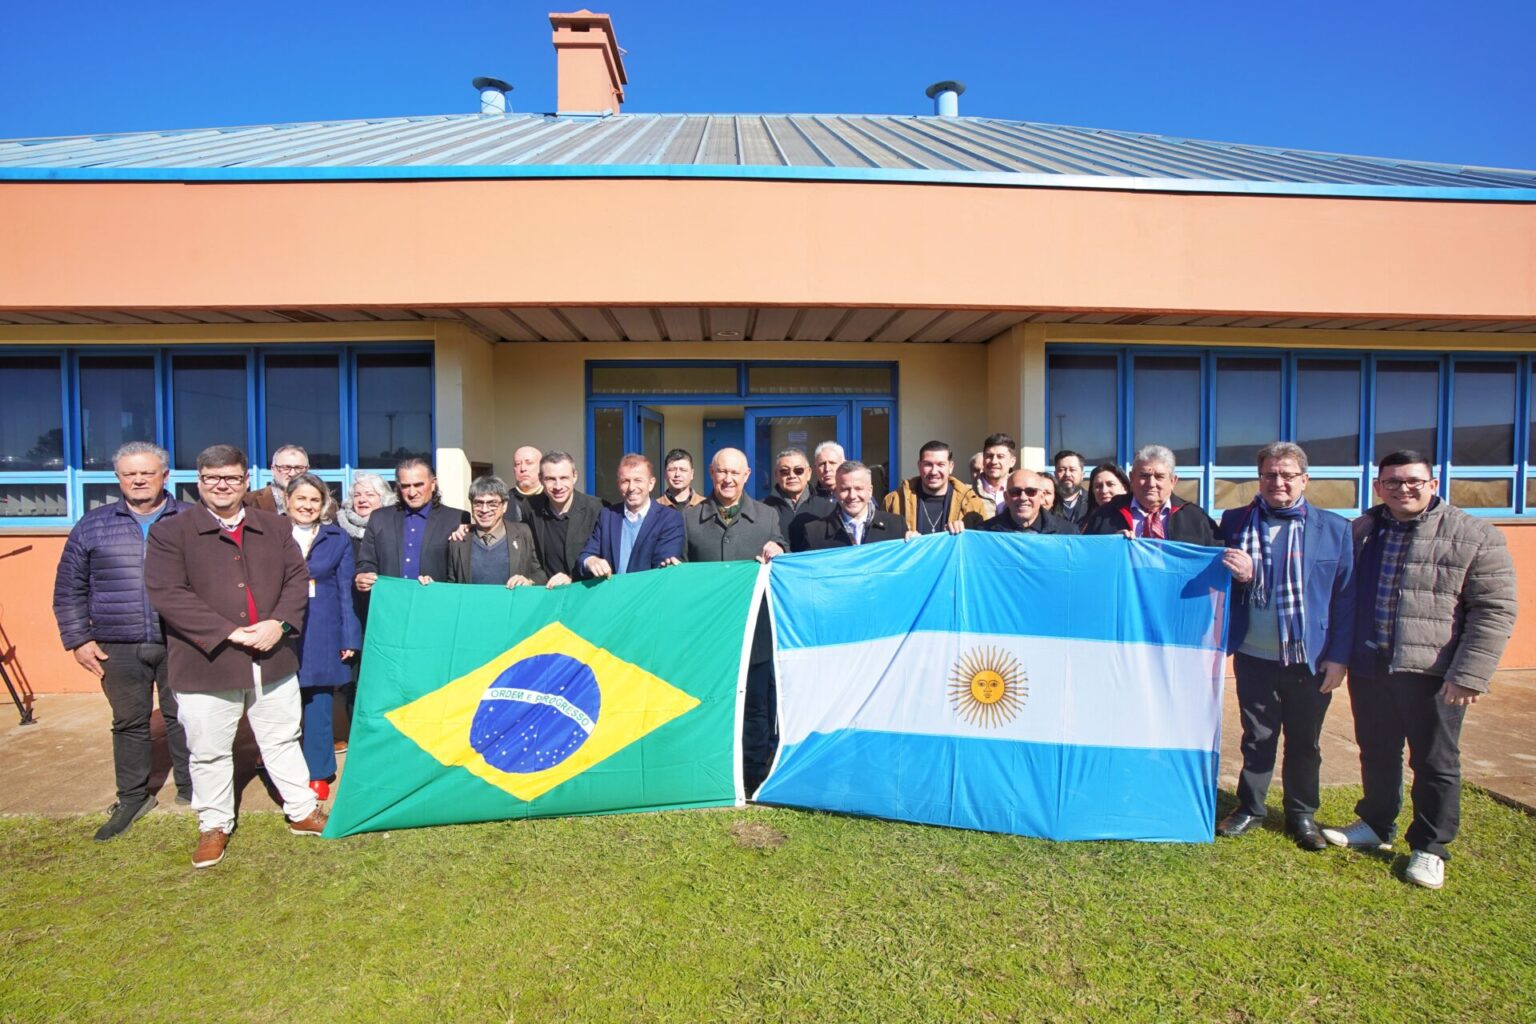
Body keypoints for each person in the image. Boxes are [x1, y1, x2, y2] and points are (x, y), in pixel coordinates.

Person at [1322, 450, 1517, 889]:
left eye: (1412, 481)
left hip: (1432, 672)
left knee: (1435, 762)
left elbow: (1494, 609)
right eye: (1392, 482)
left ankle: (1430, 847)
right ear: (1378, 488)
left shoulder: (1474, 535)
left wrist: (1469, 672)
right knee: (1376, 750)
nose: (1402, 489)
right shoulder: (1363, 530)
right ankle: (1375, 824)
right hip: (1372, 665)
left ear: (1432, 483)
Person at [143, 444, 324, 868]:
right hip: (207, 662)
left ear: (246, 481)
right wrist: (227, 631)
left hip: (271, 657)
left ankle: (301, 811)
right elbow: (168, 594)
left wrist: (279, 623)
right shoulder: (172, 532)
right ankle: (214, 824)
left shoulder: (274, 527)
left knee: (281, 738)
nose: (222, 485)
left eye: (231, 478)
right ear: (199, 482)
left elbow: (296, 579)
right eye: (212, 478)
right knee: (209, 749)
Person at [1215, 443, 1355, 852]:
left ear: (1304, 479)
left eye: (1287, 475)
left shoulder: (1335, 529)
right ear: (1259, 479)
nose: (1278, 482)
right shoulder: (1235, 520)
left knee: (1305, 740)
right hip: (1254, 653)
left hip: (1309, 658)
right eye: (1270, 475)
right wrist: (1242, 577)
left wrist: (1339, 658)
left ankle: (1301, 813)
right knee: (1257, 736)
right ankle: (1251, 808)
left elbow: (1346, 599)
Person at [52, 441, 194, 841]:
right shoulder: (92, 525)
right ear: (118, 479)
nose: (138, 480)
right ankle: (133, 797)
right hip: (117, 644)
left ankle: (191, 789)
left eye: (147, 472)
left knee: (182, 716)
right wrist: (79, 638)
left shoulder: (190, 519)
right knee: (129, 722)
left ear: (165, 476)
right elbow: (69, 588)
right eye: (129, 473)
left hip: (179, 639)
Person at [679, 448, 785, 794]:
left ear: (747, 476)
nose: (728, 479)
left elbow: (783, 553)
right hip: (708, 634)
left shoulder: (768, 517)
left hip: (755, 633)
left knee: (756, 707)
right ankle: (712, 769)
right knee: (711, 703)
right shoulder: (689, 518)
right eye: (722, 472)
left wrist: (779, 551)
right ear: (711, 472)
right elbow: (679, 565)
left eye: (735, 473)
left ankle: (753, 775)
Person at [284, 473, 362, 802]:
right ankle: (287, 771)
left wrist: (349, 637)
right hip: (280, 630)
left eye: (314, 500)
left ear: (324, 504)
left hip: (322, 629)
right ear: (287, 500)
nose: (307, 505)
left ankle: (318, 771)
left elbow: (346, 591)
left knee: (318, 702)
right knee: (280, 706)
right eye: (301, 498)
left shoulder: (336, 537)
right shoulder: (271, 534)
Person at [332, 472, 393, 754]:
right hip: (349, 611)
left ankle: (383, 734)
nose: (363, 499)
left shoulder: (394, 526)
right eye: (357, 494)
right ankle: (358, 735)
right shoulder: (337, 528)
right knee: (353, 677)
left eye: (370, 494)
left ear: (384, 498)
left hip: (383, 613)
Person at [354, 457, 469, 595]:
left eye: (418, 485)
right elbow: (366, 561)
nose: (412, 493)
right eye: (405, 486)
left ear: (433, 484)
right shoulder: (379, 518)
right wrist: (363, 575)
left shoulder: (456, 519)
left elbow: (462, 570)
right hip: (390, 604)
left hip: (436, 603)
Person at [571, 455, 684, 579]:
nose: (631, 488)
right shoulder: (607, 515)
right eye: (625, 481)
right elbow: (585, 556)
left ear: (651, 483)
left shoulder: (669, 519)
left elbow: (662, 568)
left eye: (638, 480)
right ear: (618, 484)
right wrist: (591, 561)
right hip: (612, 595)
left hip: (647, 595)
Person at [1082, 445, 1221, 545]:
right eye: (1144, 475)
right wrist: (1110, 544)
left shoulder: (1196, 518)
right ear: (1132, 477)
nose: (1151, 483)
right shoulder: (1105, 515)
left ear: (1173, 481)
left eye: (1159, 476)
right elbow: (1085, 556)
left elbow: (1219, 561)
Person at [439, 475, 546, 587]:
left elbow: (540, 573)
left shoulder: (523, 533)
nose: (484, 510)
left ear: (504, 506)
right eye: (478, 503)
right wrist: (429, 588)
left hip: (512, 604)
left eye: (492, 504)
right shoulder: (459, 541)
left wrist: (529, 581)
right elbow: (452, 585)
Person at [883, 440, 991, 537]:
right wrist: (903, 539)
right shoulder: (894, 500)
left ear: (951, 467)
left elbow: (983, 545)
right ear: (919, 466)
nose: (934, 471)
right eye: (928, 464)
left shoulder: (972, 503)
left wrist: (965, 534)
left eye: (941, 464)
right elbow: (883, 542)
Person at [526, 451, 604, 585]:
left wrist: (572, 578)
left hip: (586, 592)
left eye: (564, 478)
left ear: (575, 476)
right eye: (550, 479)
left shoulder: (598, 509)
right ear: (540, 479)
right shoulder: (529, 508)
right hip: (547, 594)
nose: (558, 486)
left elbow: (605, 557)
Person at [800, 460, 905, 549]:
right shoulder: (814, 533)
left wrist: (915, 542)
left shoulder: (896, 526)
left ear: (870, 491)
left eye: (858, 488)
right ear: (836, 492)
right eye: (845, 489)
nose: (852, 496)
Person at [764, 446, 835, 551]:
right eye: (784, 471)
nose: (791, 475)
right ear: (776, 475)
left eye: (798, 470)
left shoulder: (829, 508)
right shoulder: (763, 509)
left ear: (809, 473)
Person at [980, 469, 1079, 535]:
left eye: (1031, 491)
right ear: (1006, 497)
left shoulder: (1068, 533)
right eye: (1015, 492)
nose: (1023, 497)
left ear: (1041, 496)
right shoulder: (985, 532)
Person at [243, 444, 309, 514]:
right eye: (285, 467)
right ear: (273, 469)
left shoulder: (319, 502)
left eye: (299, 468)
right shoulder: (247, 502)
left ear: (307, 469)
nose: (292, 474)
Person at [973, 434, 1017, 515]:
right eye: (989, 456)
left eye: (1000, 456)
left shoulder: (1022, 493)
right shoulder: (967, 493)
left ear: (1012, 462)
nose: (994, 461)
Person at [1052, 450, 1092, 525]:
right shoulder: (1047, 502)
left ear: (1082, 475)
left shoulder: (1093, 503)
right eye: (1061, 470)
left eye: (1072, 470)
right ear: (1055, 474)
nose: (1067, 474)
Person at [509, 445, 543, 521]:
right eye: (518, 464)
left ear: (541, 467)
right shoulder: (504, 501)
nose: (523, 469)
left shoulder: (552, 499)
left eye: (529, 463)